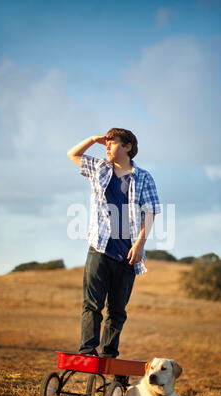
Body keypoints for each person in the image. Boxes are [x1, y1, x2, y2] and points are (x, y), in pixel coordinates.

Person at [67, 128, 161, 358]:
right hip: (99, 248)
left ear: (127, 146)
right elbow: (73, 154)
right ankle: (88, 352)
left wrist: (139, 245)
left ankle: (109, 354)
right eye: (106, 143)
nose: (107, 147)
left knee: (117, 311)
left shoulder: (144, 177)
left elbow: (150, 212)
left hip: (127, 255)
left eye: (112, 142)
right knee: (92, 304)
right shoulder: (99, 168)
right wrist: (92, 139)